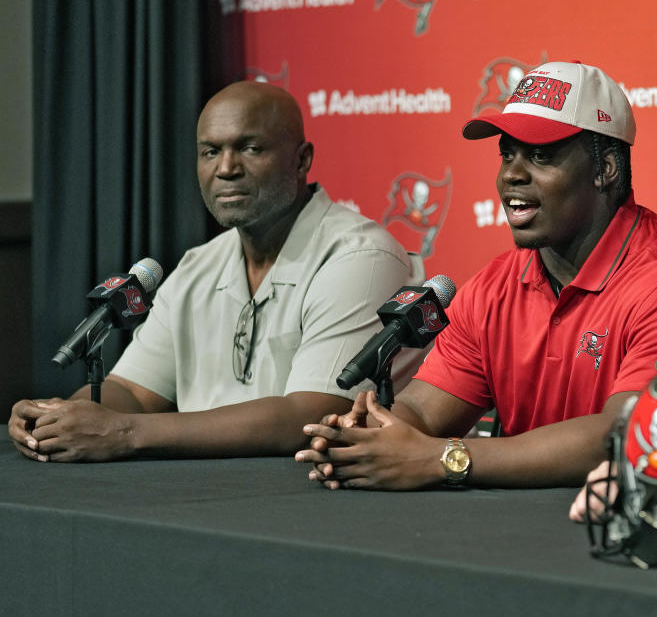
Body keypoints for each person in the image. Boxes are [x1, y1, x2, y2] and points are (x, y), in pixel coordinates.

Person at [295, 61, 657, 490]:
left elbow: (627, 434)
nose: (512, 174)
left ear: (605, 169)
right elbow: (424, 412)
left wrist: (442, 460)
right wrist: (375, 436)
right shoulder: (492, 287)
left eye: (540, 156)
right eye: (507, 154)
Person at [8, 81, 423, 462]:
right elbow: (133, 390)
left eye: (250, 148)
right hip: (200, 494)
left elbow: (314, 411)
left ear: (302, 160)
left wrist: (127, 431)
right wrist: (60, 419)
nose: (226, 168)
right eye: (210, 151)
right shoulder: (197, 266)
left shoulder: (361, 257)